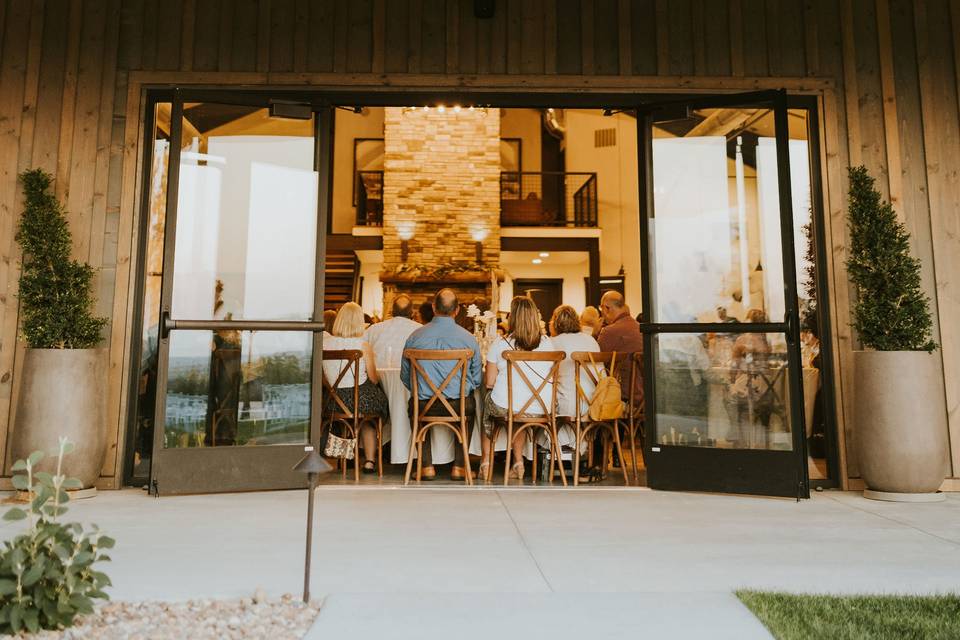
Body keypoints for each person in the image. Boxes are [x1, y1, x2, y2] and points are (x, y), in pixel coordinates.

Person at [401, 289, 483, 480]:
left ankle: (426, 466)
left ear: (433, 308)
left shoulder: (415, 337)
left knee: (414, 408)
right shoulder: (468, 339)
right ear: (457, 311)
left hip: (423, 405)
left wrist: (422, 392)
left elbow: (405, 376)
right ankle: (460, 466)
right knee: (468, 407)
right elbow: (477, 379)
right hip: (458, 404)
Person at [482, 296, 557, 481]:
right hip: (543, 408)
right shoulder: (549, 344)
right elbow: (555, 378)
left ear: (512, 318)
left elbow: (489, 382)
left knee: (490, 403)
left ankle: (485, 463)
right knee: (520, 410)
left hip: (508, 406)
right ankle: (518, 463)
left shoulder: (500, 344)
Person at [322, 302, 389, 474]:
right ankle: (369, 461)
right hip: (359, 400)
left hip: (333, 402)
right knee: (370, 416)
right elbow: (373, 379)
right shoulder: (362, 346)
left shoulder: (325, 344)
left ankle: (346, 458)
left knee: (350, 417)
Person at [549, 305, 600, 452]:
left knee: (543, 402)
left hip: (568, 405)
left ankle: (563, 449)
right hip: (594, 403)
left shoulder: (553, 343)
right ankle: (579, 447)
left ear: (555, 322)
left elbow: (545, 375)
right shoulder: (591, 341)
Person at [725, 308, 776, 448]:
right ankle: (763, 442)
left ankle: (735, 431)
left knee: (728, 396)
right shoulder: (766, 340)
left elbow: (734, 366)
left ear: (749, 321)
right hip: (767, 389)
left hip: (750, 386)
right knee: (736, 391)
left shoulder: (743, 339)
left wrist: (731, 380)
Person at [597, 291, 644, 403]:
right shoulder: (641, 329)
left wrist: (595, 333)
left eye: (601, 309)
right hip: (646, 395)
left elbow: (596, 364)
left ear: (607, 308)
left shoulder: (609, 332)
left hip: (622, 396)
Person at [364, 294, 420, 369]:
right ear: (412, 312)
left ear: (392, 311)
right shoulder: (421, 330)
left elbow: (360, 350)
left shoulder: (373, 329)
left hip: (379, 378)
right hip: (410, 378)